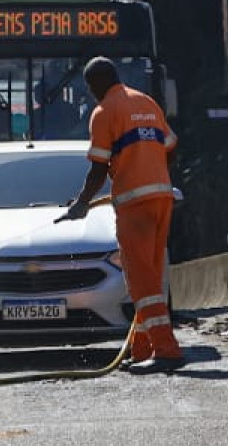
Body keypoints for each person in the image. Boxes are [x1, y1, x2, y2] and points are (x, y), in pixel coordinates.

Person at [61, 57, 184, 374]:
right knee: (151, 274)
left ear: (95, 83)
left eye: (89, 87)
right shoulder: (146, 102)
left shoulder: (104, 113)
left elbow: (99, 167)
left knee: (141, 279)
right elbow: (171, 145)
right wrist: (154, 175)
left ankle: (166, 350)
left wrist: (81, 203)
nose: (90, 93)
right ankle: (143, 348)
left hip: (134, 205)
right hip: (161, 198)